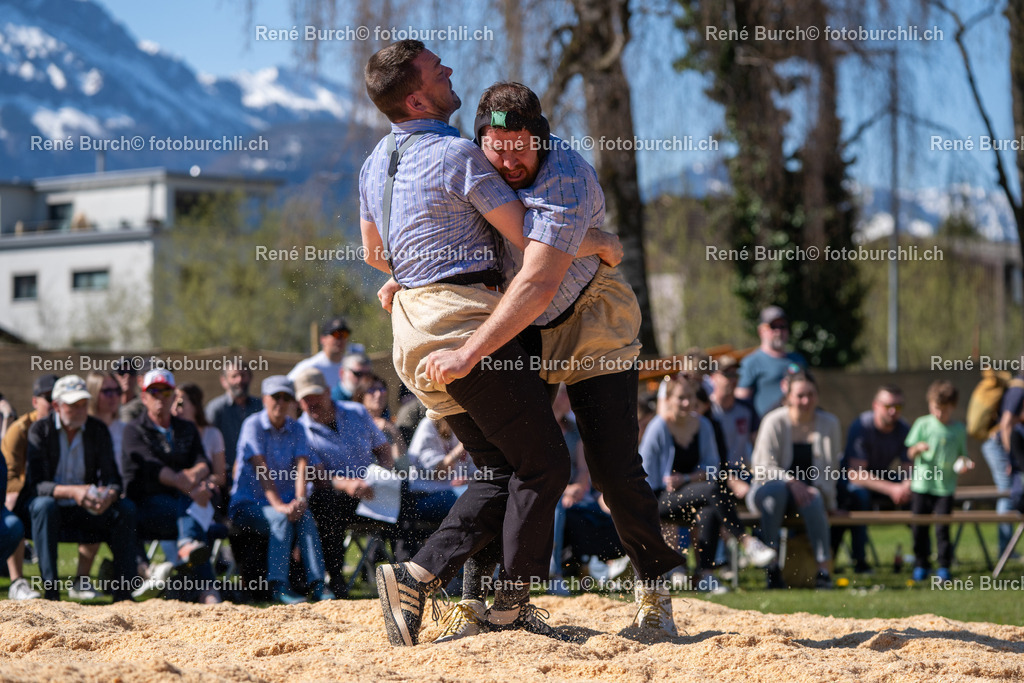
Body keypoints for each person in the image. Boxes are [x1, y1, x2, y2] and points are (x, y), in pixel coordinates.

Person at [359, 42, 617, 645]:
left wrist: (411, 269)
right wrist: (601, 241)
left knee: (501, 470)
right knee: (546, 462)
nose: (449, 70)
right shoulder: (458, 154)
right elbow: (531, 240)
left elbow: (376, 254)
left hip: (410, 331)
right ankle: (509, 607)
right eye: (436, 70)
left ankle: (418, 577)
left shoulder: (374, 162)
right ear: (417, 96)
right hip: (462, 323)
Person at [419, 81, 685, 637]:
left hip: (587, 314)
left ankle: (654, 593)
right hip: (516, 321)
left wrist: (469, 350)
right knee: (509, 464)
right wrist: (406, 277)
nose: (510, 158)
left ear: (542, 139)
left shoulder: (567, 174)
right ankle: (477, 603)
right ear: (480, 140)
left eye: (521, 145)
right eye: (497, 145)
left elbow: (540, 277)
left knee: (613, 468)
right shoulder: (469, 166)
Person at [640, 377, 776, 594]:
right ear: (668, 400)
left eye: (690, 398)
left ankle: (705, 576)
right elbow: (645, 473)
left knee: (710, 508)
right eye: (680, 398)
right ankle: (746, 540)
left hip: (693, 494)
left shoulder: (703, 425)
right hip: (659, 498)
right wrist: (690, 479)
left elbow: (713, 469)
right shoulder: (658, 427)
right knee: (713, 491)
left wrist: (685, 479)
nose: (686, 403)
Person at [25, 375, 140, 601]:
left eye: (83, 404)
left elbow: (113, 479)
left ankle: (124, 594)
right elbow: (36, 485)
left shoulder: (97, 430)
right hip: (54, 509)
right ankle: (51, 593)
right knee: (43, 506)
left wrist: (108, 495)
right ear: (56, 405)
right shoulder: (40, 430)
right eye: (72, 405)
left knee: (125, 509)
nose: (79, 410)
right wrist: (74, 492)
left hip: (87, 510)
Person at [229, 376, 331, 604]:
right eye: (276, 396)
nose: (281, 402)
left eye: (286, 397)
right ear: (265, 399)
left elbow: (302, 465)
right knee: (282, 519)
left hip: (283, 503)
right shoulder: (252, 425)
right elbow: (261, 468)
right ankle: (279, 586)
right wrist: (280, 506)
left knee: (304, 515)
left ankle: (318, 584)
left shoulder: (297, 428)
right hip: (247, 505)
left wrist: (300, 499)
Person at [122, 369, 219, 603]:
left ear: (174, 395)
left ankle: (192, 566)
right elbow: (150, 467)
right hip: (145, 506)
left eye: (165, 391)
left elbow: (203, 461)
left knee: (192, 508)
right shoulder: (134, 430)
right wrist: (186, 484)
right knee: (192, 508)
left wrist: (194, 476)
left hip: (182, 501)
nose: (160, 397)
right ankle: (208, 591)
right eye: (153, 391)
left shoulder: (186, 428)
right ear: (143, 397)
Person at [294, 367, 392, 598]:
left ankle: (416, 571)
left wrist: (386, 476)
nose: (311, 402)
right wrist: (348, 485)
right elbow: (318, 477)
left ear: (328, 392)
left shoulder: (356, 411)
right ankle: (335, 579)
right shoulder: (300, 430)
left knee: (407, 497)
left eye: (315, 395)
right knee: (326, 502)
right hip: (334, 496)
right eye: (305, 398)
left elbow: (383, 449)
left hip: (373, 490)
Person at [749, 371, 840, 589]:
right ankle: (771, 567)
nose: (805, 401)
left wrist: (829, 500)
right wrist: (792, 482)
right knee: (776, 495)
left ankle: (823, 570)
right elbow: (762, 467)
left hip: (808, 496)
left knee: (814, 497)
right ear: (788, 397)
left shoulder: (829, 424)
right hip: (768, 489)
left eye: (810, 395)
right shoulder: (773, 421)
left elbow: (831, 469)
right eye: (800, 395)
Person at [832, 385, 911, 573]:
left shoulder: (903, 428)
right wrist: (893, 489)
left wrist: (906, 486)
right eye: (888, 406)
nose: (893, 411)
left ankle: (925, 562)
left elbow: (910, 469)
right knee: (858, 496)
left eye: (898, 407)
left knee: (919, 494)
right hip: (849, 478)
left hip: (881, 476)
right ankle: (860, 561)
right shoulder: (861, 425)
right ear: (876, 405)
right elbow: (856, 473)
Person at [907, 380, 971, 582]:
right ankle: (921, 564)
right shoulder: (922, 424)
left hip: (945, 488)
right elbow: (909, 451)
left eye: (944, 410)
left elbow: (963, 456)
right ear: (929, 405)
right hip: (922, 485)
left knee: (942, 529)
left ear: (953, 407)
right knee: (919, 528)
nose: (939, 414)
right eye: (935, 408)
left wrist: (965, 463)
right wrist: (918, 448)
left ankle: (944, 566)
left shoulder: (958, 429)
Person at [2, 373, 56, 600]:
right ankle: (17, 581)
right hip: (23, 495)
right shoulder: (20, 430)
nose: (53, 403)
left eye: (57, 398)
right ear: (35, 401)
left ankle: (79, 583)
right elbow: (10, 473)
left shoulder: (69, 428)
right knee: (15, 520)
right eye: (48, 398)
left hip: (52, 494)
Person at [735, 306, 808, 419]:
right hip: (764, 427)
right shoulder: (751, 362)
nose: (778, 331)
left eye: (782, 326)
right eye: (773, 327)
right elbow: (741, 401)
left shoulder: (798, 360)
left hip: (797, 427)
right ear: (761, 331)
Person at [981, 368, 1024, 557]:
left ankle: (1006, 550)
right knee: (1007, 493)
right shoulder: (1019, 389)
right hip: (1001, 446)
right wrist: (1011, 458)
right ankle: (1005, 551)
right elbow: (1007, 424)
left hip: (1008, 447)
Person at [205, 360, 262, 493]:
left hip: (258, 475)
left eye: (243, 375)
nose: (239, 380)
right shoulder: (216, 409)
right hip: (225, 477)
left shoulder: (260, 407)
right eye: (234, 376)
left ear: (250, 378)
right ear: (224, 381)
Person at [287, 316, 351, 394]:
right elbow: (287, 388)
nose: (341, 339)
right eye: (336, 334)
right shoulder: (309, 366)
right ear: (323, 339)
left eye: (344, 334)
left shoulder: (353, 368)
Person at [354, 375, 407, 462]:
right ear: (361, 395)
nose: (378, 394)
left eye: (382, 389)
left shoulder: (388, 424)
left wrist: (393, 431)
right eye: (372, 390)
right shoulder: (354, 425)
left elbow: (403, 465)